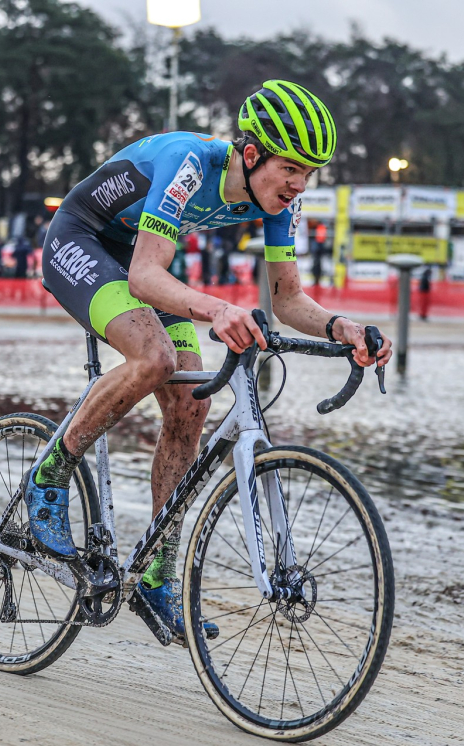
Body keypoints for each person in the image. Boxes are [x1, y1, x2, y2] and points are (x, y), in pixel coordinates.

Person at [33, 79, 391, 644]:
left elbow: (289, 297)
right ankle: (48, 478)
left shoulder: (279, 203)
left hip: (135, 257)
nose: (299, 184)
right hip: (81, 241)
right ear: (252, 155)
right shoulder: (189, 163)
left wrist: (341, 328)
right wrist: (219, 309)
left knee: (189, 404)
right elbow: (145, 277)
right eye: (291, 169)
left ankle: (155, 573)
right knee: (155, 358)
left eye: (309, 173)